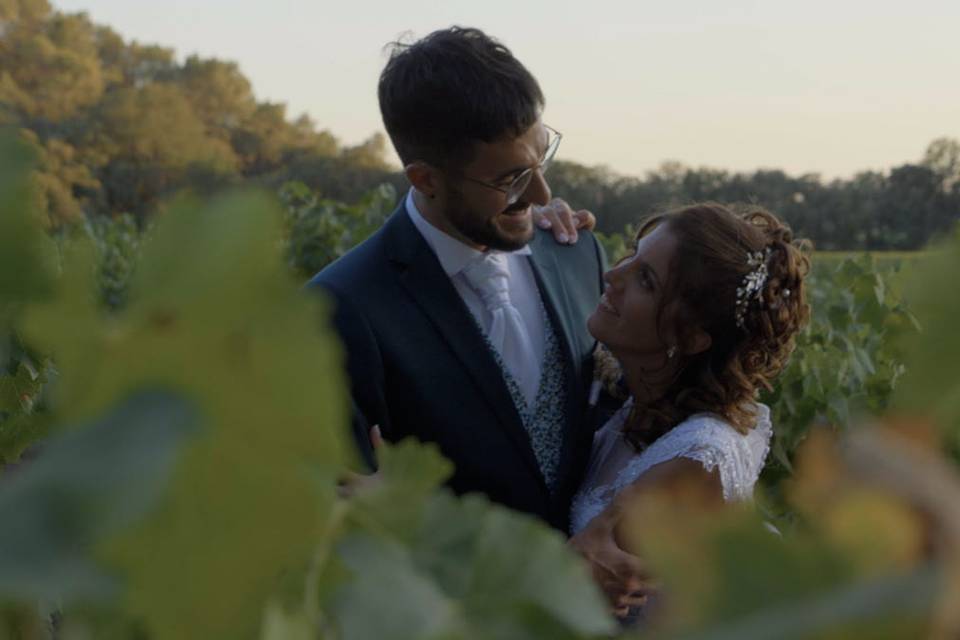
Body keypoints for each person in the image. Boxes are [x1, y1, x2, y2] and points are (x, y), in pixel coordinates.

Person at [309, 26, 604, 531]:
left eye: (542, 156)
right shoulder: (340, 309)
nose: (540, 193)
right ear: (425, 179)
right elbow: (346, 516)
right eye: (509, 178)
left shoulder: (577, 254)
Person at [568, 203, 810, 620]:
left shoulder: (695, 458)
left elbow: (572, 592)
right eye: (632, 256)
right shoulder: (641, 397)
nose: (612, 275)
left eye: (646, 280)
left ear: (694, 336)